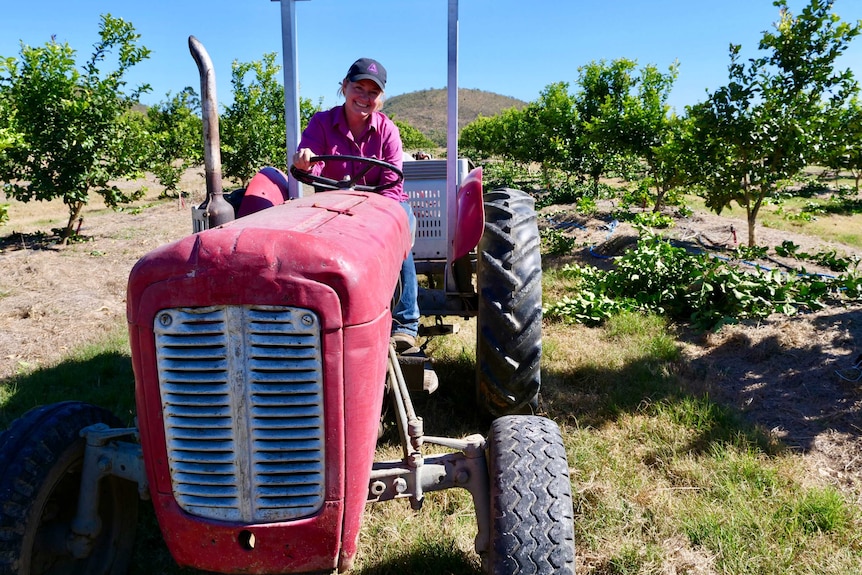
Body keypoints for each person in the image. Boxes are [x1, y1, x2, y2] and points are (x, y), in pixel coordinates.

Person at [291, 57, 419, 352]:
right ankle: (319, 313)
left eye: (372, 93)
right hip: (335, 202)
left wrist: (376, 224)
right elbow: (312, 164)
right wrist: (306, 164)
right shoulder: (322, 122)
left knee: (399, 234)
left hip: (383, 203)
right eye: (358, 88)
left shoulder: (388, 131)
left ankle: (406, 321)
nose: (364, 97)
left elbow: (392, 183)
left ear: (380, 99)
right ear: (344, 87)